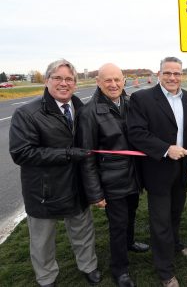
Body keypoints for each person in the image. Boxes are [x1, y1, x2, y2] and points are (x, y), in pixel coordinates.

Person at [9, 59, 101, 287]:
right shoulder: (27, 113)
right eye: (58, 78)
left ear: (75, 84)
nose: (64, 83)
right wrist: (67, 154)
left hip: (76, 185)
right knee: (42, 241)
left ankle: (88, 266)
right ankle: (46, 277)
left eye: (69, 79)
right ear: (47, 81)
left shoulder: (82, 109)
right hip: (44, 189)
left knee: (83, 231)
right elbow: (22, 153)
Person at [127, 57, 187, 287]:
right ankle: (165, 271)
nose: (172, 77)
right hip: (157, 170)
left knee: (176, 214)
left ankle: (175, 245)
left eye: (177, 73)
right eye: (167, 73)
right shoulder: (142, 98)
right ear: (159, 74)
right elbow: (136, 133)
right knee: (160, 222)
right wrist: (166, 149)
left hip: (183, 169)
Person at [77, 63, 149, 287]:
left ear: (124, 81)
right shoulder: (89, 112)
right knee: (117, 225)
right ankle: (120, 270)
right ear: (98, 82)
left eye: (117, 79)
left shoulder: (130, 104)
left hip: (133, 175)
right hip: (111, 181)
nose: (114, 84)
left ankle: (129, 243)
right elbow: (87, 157)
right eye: (107, 80)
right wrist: (95, 193)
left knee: (131, 214)